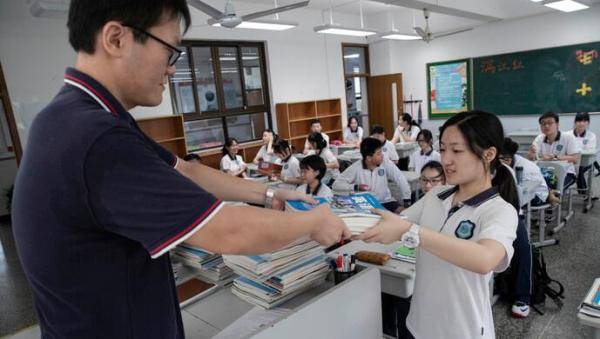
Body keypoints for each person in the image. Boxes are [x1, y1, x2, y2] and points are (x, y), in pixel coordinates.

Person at [11, 2, 351, 337]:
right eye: (170, 52)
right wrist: (312, 221)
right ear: (116, 38)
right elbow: (224, 231)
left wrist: (271, 192)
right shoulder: (97, 137)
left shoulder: (72, 116)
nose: (173, 69)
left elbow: (186, 172)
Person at [356, 111, 519, 339]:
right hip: (419, 323)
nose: (446, 160)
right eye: (443, 149)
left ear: (489, 154)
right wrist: (347, 221)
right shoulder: (438, 195)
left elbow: (485, 259)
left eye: (457, 150)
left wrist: (410, 232)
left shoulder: (499, 211)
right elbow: (399, 223)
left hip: (461, 331)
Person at [499, 137, 552, 318]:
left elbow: (518, 201)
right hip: (485, 211)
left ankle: (523, 296)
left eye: (504, 158)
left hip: (513, 209)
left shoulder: (522, 168)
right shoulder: (479, 165)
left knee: (524, 247)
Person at [333, 138, 411, 213]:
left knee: (405, 213)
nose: (382, 156)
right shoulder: (356, 167)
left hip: (386, 202)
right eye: (378, 154)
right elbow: (336, 185)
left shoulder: (385, 162)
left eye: (381, 152)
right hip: (366, 205)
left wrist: (407, 199)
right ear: (369, 158)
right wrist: (355, 187)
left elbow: (400, 178)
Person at [527, 111, 581, 189]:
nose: (546, 126)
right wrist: (531, 154)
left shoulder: (568, 137)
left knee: (552, 189)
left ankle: (552, 199)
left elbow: (575, 159)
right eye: (543, 124)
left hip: (566, 173)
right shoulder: (539, 138)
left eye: (550, 123)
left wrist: (555, 157)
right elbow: (531, 157)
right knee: (534, 186)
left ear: (557, 124)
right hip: (545, 172)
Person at [564, 112, 597, 191]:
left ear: (588, 123)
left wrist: (574, 152)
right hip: (570, 162)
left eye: (585, 121)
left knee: (580, 168)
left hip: (585, 162)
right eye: (579, 121)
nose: (582, 123)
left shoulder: (591, 136)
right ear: (575, 122)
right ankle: (582, 191)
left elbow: (590, 150)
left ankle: (582, 191)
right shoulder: (566, 135)